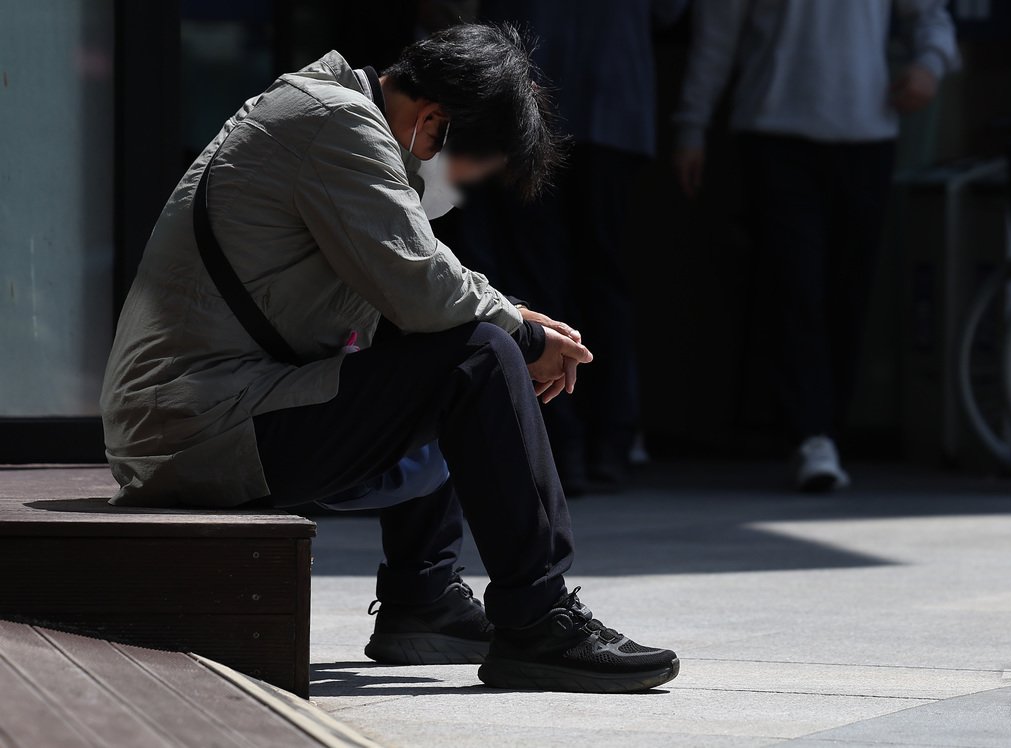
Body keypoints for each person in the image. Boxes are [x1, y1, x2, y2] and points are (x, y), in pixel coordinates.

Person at [100, 24, 679, 694]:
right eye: (467, 170)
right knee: (480, 355)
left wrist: (513, 317)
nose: (455, 189)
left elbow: (412, 293)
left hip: (204, 413)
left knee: (456, 341)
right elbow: (424, 288)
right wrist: (522, 337)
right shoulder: (336, 126)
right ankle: (538, 618)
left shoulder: (327, 111)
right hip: (196, 430)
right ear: (433, 122)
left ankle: (424, 597)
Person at [673, 0, 959, 492]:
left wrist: (928, 65)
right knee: (793, 285)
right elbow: (716, 37)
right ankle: (810, 434)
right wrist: (691, 125)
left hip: (866, 133)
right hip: (773, 130)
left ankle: (826, 430)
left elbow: (930, 14)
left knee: (849, 291)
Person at [444, 0, 687, 494]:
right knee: (598, 276)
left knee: (544, 274)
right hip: (603, 105)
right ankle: (605, 441)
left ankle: (566, 443)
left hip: (543, 102)